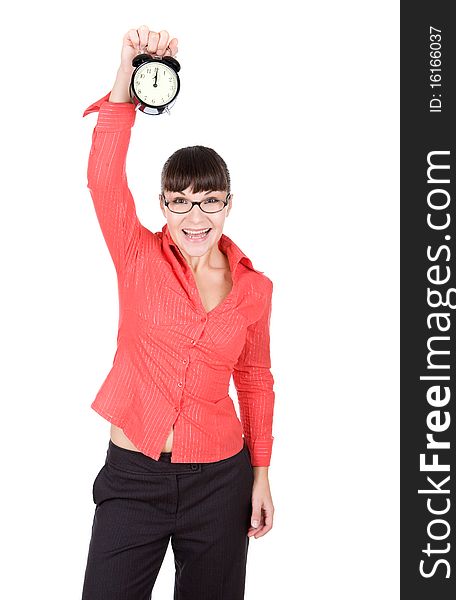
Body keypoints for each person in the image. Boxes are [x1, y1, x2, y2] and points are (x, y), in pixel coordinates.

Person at [80, 25, 276, 600]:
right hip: (133, 474)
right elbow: (102, 178)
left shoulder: (254, 289)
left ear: (228, 205)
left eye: (209, 201)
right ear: (163, 205)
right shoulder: (137, 255)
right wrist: (127, 75)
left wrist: (261, 476)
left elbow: (256, 382)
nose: (196, 216)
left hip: (220, 479)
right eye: (181, 201)